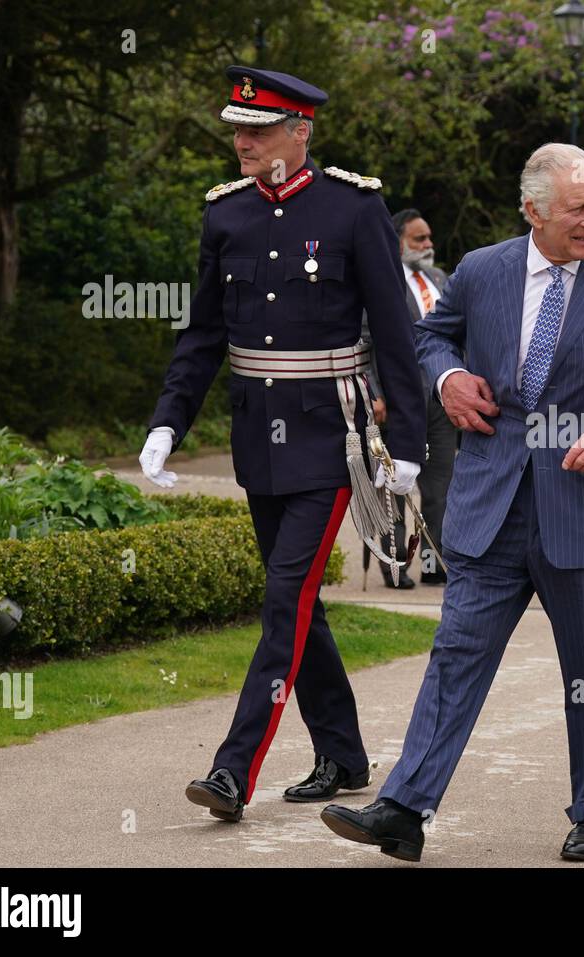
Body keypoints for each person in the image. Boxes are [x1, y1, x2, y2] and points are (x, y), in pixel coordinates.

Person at [319, 143, 584, 862]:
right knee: (455, 656)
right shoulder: (483, 271)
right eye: (576, 209)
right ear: (533, 210)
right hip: (491, 504)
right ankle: (403, 806)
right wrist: (448, 378)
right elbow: (429, 338)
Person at [138, 66, 426, 822]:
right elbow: (202, 337)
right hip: (256, 438)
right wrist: (168, 422)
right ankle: (344, 752)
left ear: (300, 133)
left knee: (283, 599)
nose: (241, 141)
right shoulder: (225, 217)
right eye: (237, 128)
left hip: (331, 439)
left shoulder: (354, 209)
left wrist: (411, 448)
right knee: (298, 604)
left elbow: (397, 335)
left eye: (257, 129)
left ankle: (233, 769)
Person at [366, 208, 456, 587]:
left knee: (439, 489)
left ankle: (433, 565)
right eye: (419, 239)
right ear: (399, 240)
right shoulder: (381, 281)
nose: (427, 245)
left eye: (429, 238)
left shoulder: (441, 280)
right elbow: (366, 341)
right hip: (397, 404)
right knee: (393, 486)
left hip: (440, 403)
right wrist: (375, 393)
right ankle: (394, 566)